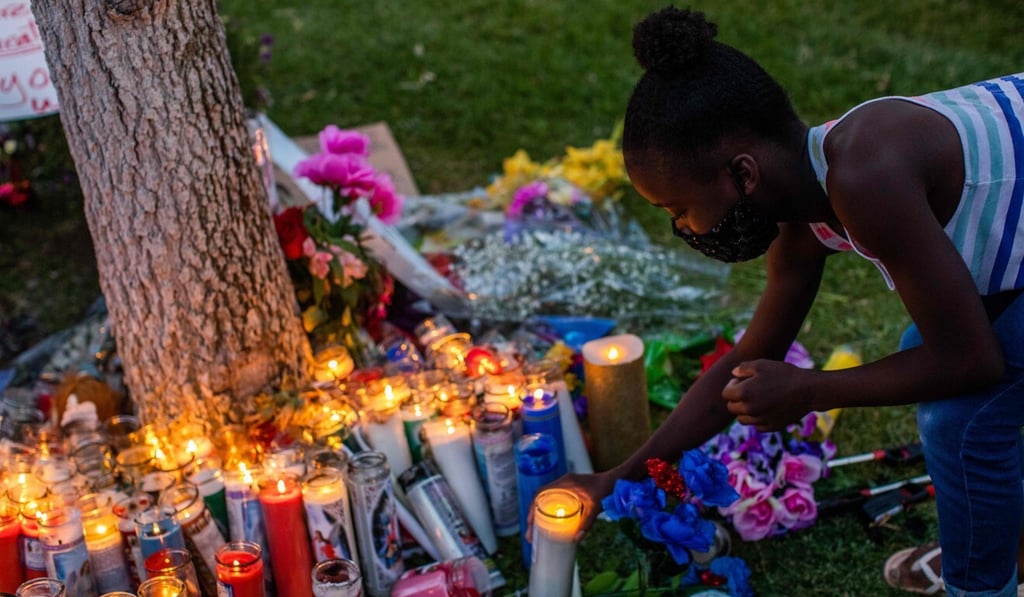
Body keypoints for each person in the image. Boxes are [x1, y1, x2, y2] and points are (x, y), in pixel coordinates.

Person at [543, 6, 1024, 596]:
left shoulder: (866, 177)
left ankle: (981, 582)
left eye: (679, 210)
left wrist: (811, 390)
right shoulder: (807, 209)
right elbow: (748, 357)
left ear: (744, 175)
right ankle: (1000, 540)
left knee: (959, 417)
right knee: (921, 351)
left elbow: (972, 361)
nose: (685, 231)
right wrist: (616, 477)